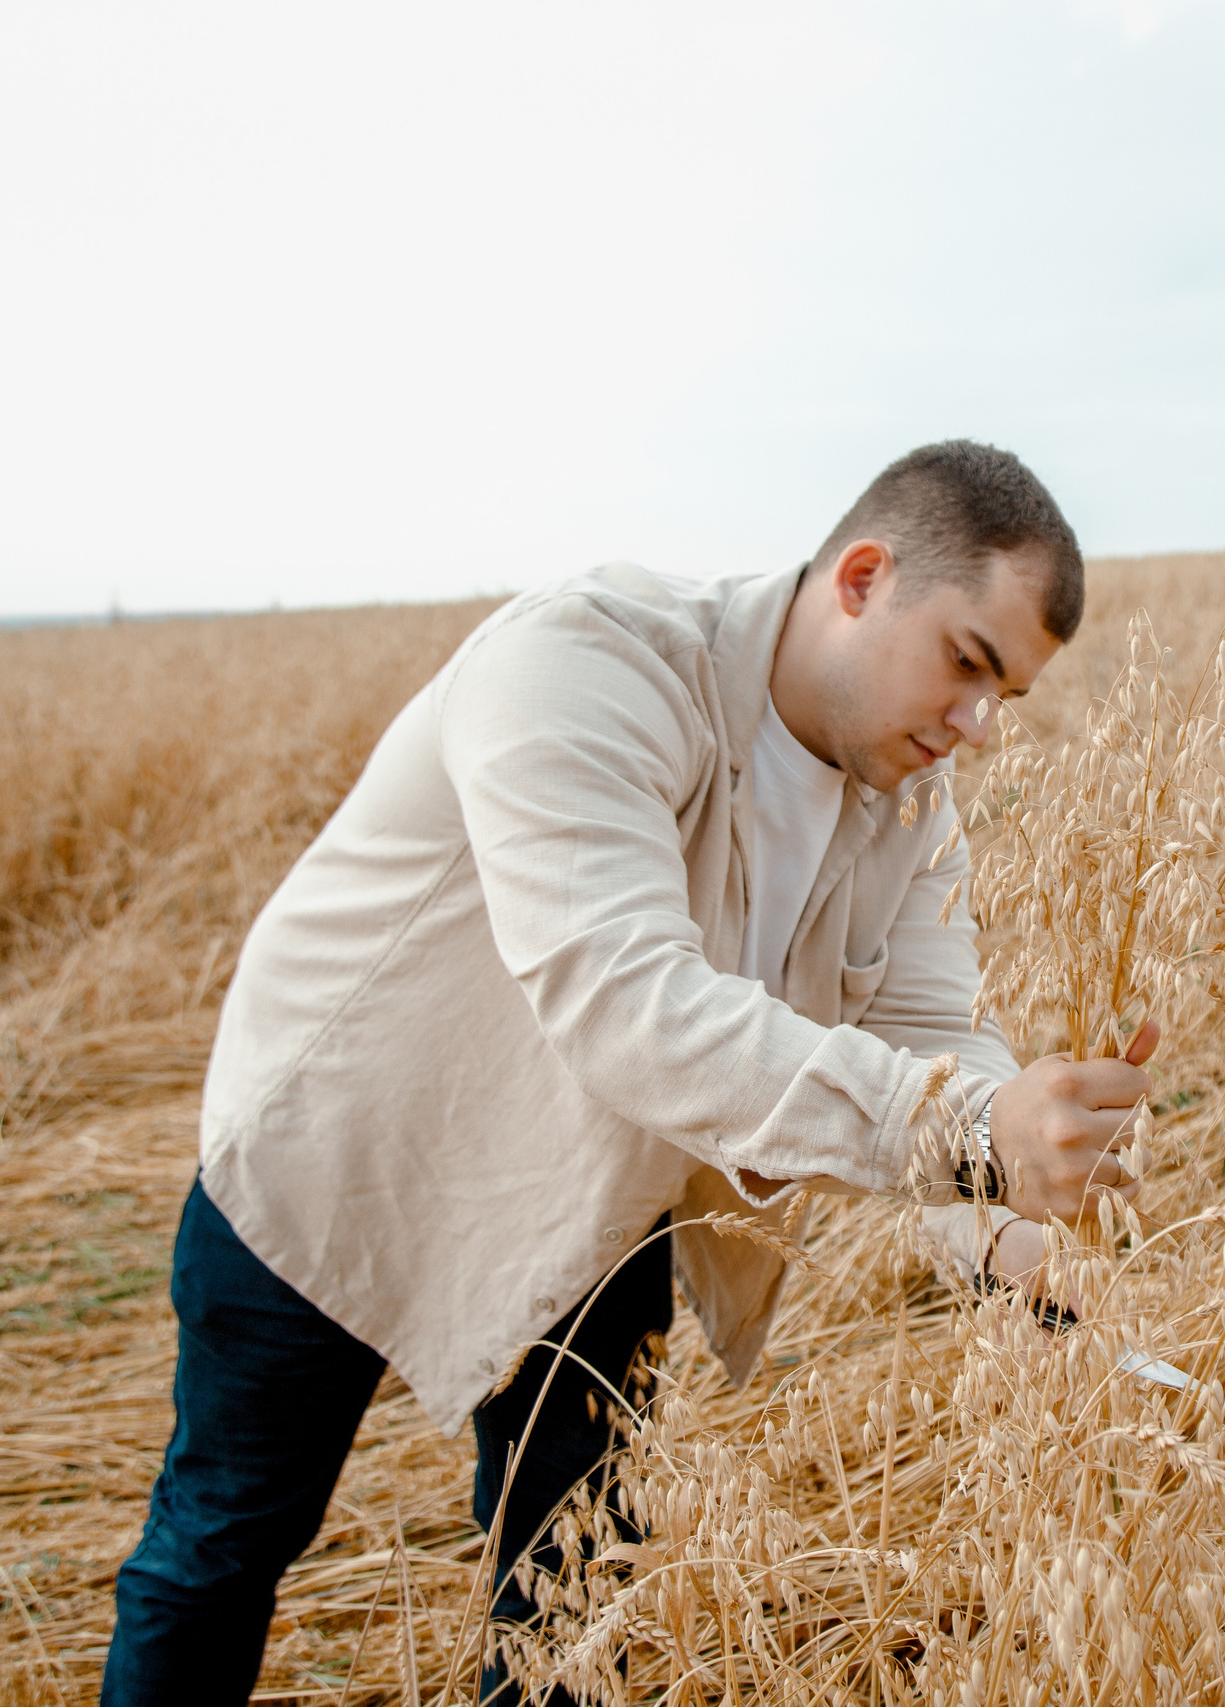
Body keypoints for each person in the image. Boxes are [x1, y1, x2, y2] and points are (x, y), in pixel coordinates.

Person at [99, 441, 1157, 1703]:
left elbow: (934, 1041)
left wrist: (1012, 1217)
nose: (975, 729)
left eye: (1006, 699)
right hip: (355, 1148)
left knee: (576, 1576)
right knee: (228, 1540)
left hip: (597, 1198)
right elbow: (626, 1004)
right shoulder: (584, 663)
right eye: (969, 664)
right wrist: (974, 1132)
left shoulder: (910, 808)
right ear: (863, 578)